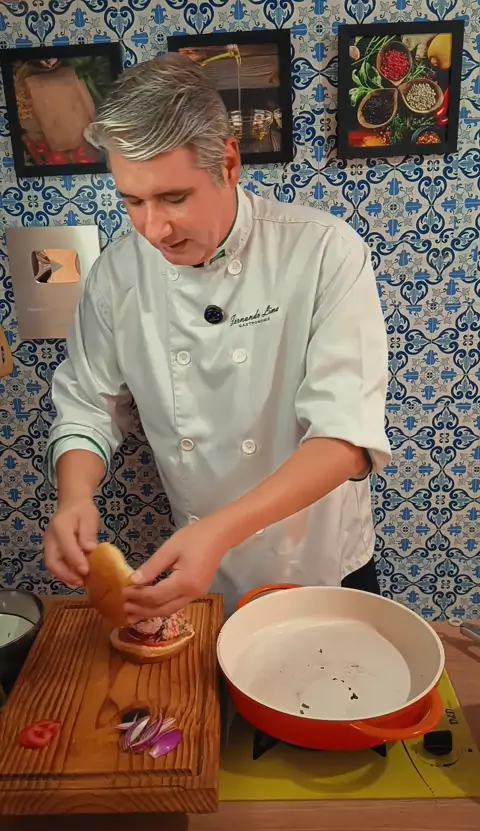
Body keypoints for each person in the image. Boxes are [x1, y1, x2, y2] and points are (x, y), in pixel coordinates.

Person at [43, 54, 391, 621]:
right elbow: (87, 405)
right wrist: (74, 496)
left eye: (173, 198)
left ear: (228, 164)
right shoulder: (116, 275)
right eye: (133, 201)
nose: (152, 229)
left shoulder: (324, 252)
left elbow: (345, 438)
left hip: (317, 561)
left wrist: (220, 532)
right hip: (199, 567)